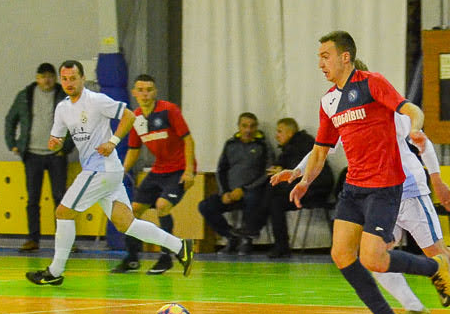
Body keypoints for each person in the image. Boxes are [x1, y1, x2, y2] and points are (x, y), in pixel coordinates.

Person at [289, 31, 450, 314]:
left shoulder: (371, 82)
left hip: (385, 186)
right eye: (319, 58)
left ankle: (435, 268)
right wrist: (305, 181)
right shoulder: (328, 101)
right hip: (354, 187)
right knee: (341, 254)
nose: (320, 64)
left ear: (345, 57)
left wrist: (416, 127)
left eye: (325, 56)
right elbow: (322, 149)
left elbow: (410, 109)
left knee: (373, 259)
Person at [25, 61, 193, 285]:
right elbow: (56, 141)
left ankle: (55, 272)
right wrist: (55, 143)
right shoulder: (62, 108)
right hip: (104, 171)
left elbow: (130, 116)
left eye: (73, 78)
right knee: (127, 224)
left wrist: (113, 142)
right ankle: (180, 246)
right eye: (64, 79)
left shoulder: (96, 100)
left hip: (101, 168)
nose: (68, 83)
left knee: (63, 212)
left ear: (82, 79)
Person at [110, 74, 196, 275]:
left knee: (162, 206)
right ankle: (132, 258)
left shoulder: (169, 110)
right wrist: (120, 171)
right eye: (140, 90)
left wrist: (190, 170)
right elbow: (133, 149)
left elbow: (188, 140)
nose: (145, 94)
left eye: (149, 89)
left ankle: (166, 258)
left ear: (155, 92)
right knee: (133, 211)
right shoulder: (136, 117)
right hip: (159, 170)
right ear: (134, 93)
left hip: (179, 170)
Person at [235, 117, 334, 258]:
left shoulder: (305, 143)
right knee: (275, 201)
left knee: (273, 190)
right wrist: (279, 170)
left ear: (290, 132)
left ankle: (255, 226)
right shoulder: (288, 148)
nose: (277, 135)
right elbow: (282, 165)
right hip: (302, 187)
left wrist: (283, 170)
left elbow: (304, 166)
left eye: (280, 131)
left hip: (317, 188)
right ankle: (281, 246)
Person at [5, 63, 74, 253]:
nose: (47, 80)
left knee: (61, 198)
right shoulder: (25, 96)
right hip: (32, 154)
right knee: (32, 199)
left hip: (56, 155)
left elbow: (77, 124)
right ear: (37, 78)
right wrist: (13, 143)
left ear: (56, 78)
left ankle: (65, 241)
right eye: (43, 76)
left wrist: (66, 147)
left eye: (50, 76)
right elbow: (11, 119)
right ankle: (32, 239)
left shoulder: (65, 96)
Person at [198, 112, 274, 255]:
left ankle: (246, 240)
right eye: (244, 126)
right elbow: (221, 170)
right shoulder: (230, 144)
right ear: (238, 127)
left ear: (256, 127)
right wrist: (225, 192)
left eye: (252, 126)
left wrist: (244, 189)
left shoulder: (263, 145)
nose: (248, 130)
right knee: (205, 206)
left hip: (252, 191)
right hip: (230, 193)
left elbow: (268, 172)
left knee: (252, 199)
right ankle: (231, 236)